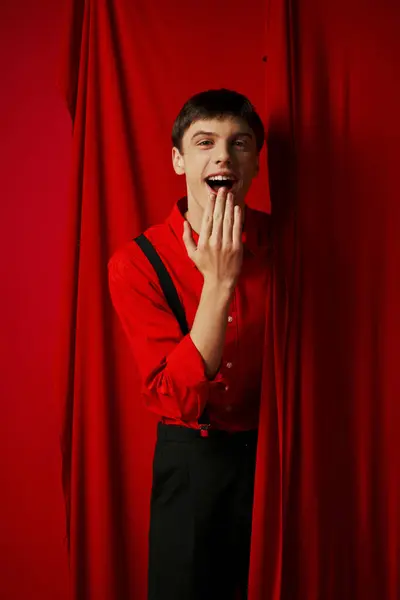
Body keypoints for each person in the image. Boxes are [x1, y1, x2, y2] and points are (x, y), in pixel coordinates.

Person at [108, 89, 271, 600]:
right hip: (193, 463)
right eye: (205, 142)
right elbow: (173, 398)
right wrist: (219, 283)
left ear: (255, 164)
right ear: (179, 160)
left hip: (276, 460)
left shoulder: (286, 244)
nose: (223, 154)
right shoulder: (136, 263)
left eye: (239, 143)